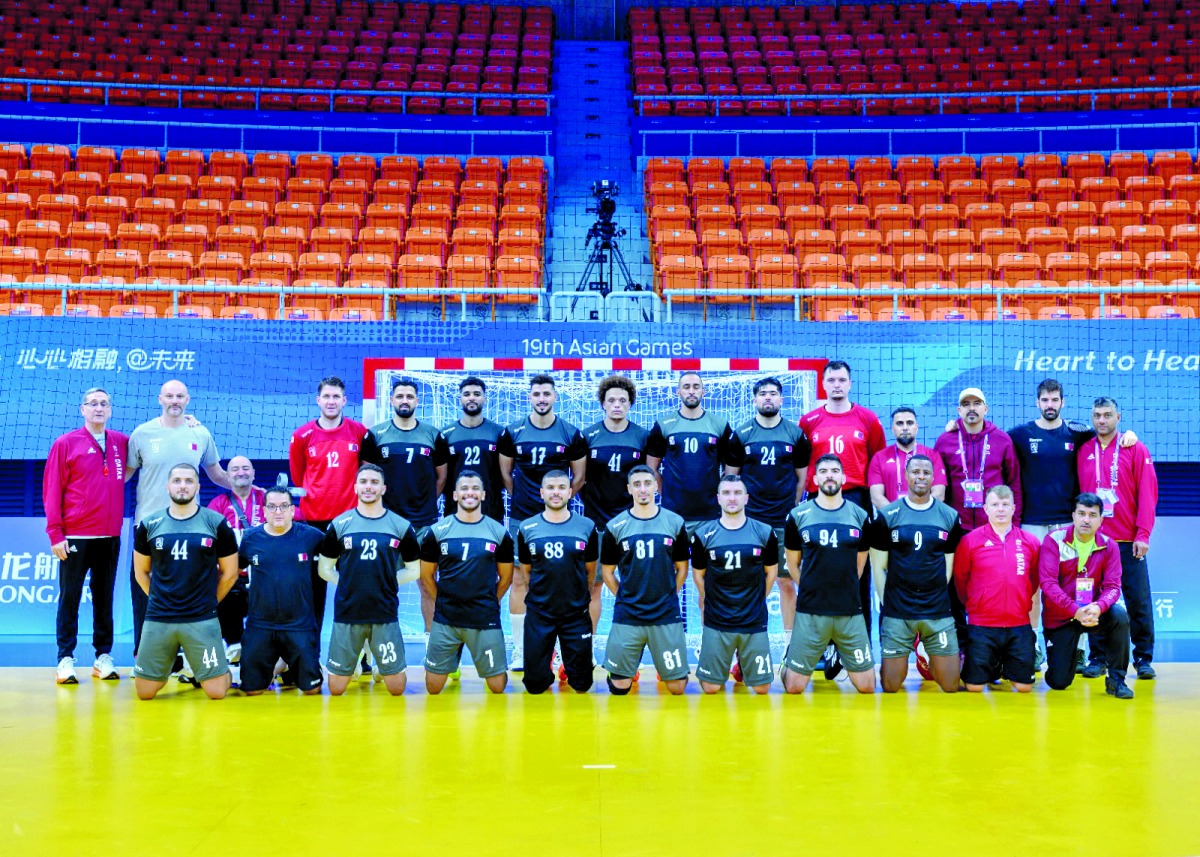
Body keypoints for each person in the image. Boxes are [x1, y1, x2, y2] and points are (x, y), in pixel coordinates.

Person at [1006, 379, 1137, 673]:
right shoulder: (1020, 434)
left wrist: (1129, 434)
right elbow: (990, 437)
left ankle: (1078, 649)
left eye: (1055, 399)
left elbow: (1107, 432)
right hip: (1032, 524)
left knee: (1078, 585)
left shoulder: (1077, 433)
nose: (1050, 405)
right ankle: (1034, 647)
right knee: (1032, 588)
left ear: (1062, 402)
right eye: (1045, 400)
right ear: (1037, 402)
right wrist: (955, 427)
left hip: (1068, 523)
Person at [127, 380, 230, 660]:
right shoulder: (142, 434)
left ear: (187, 399)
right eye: (170, 396)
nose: (175, 400)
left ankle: (187, 656)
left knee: (190, 588)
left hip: (190, 527)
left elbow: (217, 475)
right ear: (160, 399)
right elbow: (123, 475)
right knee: (144, 588)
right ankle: (144, 656)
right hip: (150, 526)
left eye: (180, 396)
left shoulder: (200, 432)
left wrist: (247, 486)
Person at [498, 374, 588, 670]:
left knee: (561, 579)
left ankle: (559, 650)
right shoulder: (513, 432)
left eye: (546, 394)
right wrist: (525, 500)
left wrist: (556, 505)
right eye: (536, 394)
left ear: (555, 397)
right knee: (519, 580)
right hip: (522, 518)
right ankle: (520, 649)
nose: (541, 399)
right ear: (530, 397)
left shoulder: (570, 433)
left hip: (561, 521)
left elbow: (579, 477)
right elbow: (506, 474)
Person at [131, 464, 239, 700]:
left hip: (201, 617)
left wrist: (209, 602)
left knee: (216, 692)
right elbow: (141, 572)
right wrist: (160, 600)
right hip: (160, 617)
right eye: (177, 481)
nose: (183, 486)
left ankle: (223, 667)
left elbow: (230, 573)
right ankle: (172, 667)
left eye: (189, 481)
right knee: (145, 692)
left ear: (198, 487)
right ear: (167, 486)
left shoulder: (216, 523)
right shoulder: (149, 525)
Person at [44, 387, 129, 684]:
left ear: (110, 409)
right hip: (75, 536)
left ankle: (103, 656)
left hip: (109, 536)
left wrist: (188, 422)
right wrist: (55, 533)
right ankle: (65, 659)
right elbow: (52, 489)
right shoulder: (65, 443)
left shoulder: (121, 442)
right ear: (83, 409)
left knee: (104, 599)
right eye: (93, 403)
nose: (99, 408)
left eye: (104, 403)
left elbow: (154, 442)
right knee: (69, 598)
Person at [799, 361, 886, 645]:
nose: (837, 385)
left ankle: (860, 643)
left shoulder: (868, 419)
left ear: (850, 383)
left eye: (842, 380)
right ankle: (821, 646)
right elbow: (802, 465)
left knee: (858, 571)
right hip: (818, 500)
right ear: (823, 384)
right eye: (832, 380)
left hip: (856, 499)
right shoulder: (808, 421)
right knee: (819, 566)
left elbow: (877, 463)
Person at [317, 464, 422, 696]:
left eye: (374, 482)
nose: (368, 487)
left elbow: (415, 570)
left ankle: (379, 665)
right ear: (355, 487)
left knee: (397, 689)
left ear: (383, 488)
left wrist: (387, 581)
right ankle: (355, 660)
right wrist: (348, 583)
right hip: (348, 613)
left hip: (384, 613)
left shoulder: (401, 526)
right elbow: (324, 569)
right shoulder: (339, 524)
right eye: (363, 482)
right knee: (336, 689)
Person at [723, 377, 811, 651]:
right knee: (748, 584)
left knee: (786, 583)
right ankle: (743, 646)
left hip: (783, 522)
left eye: (773, 393)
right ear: (755, 400)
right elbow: (730, 480)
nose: (768, 398)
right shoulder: (741, 434)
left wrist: (790, 507)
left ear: (782, 399)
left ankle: (790, 646)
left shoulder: (795, 434)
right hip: (750, 524)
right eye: (763, 394)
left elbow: (801, 480)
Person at [935, 387, 1022, 659]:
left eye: (977, 403)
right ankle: (961, 647)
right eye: (966, 404)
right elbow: (939, 485)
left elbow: (1014, 484)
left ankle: (994, 650)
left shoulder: (1002, 440)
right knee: (956, 590)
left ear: (986, 408)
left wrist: (1014, 526)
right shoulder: (945, 441)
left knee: (992, 587)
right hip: (957, 529)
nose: (971, 408)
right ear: (959, 410)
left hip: (993, 529)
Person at [1077, 397, 1159, 680]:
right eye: (1097, 415)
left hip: (1127, 542)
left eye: (1107, 415)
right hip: (1093, 544)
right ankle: (1097, 657)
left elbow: (1147, 494)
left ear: (1118, 417)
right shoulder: (1084, 450)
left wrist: (1143, 534)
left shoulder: (1134, 449)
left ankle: (1143, 658)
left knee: (1138, 601)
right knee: (1093, 600)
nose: (1102, 420)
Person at [360, 377, 449, 634]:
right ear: (391, 400)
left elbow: (441, 477)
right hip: (386, 523)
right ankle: (379, 641)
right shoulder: (375, 435)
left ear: (417, 401)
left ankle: (432, 642)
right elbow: (368, 480)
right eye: (400, 396)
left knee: (427, 583)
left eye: (409, 396)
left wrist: (424, 504)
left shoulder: (433, 435)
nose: (405, 401)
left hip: (424, 524)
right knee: (382, 584)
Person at [780, 454, 875, 694]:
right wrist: (810, 587)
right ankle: (789, 660)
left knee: (867, 686)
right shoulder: (797, 516)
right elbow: (793, 565)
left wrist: (842, 588)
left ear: (843, 478)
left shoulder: (860, 516)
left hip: (849, 611)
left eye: (834, 471)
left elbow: (859, 566)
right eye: (823, 471)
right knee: (794, 687)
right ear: (815, 479)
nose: (829, 475)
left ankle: (837, 649)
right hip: (811, 611)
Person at [869, 454, 963, 693]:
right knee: (890, 685)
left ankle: (926, 645)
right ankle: (912, 641)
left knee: (950, 685)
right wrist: (887, 603)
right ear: (906, 476)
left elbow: (948, 566)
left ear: (933, 477)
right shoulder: (887, 515)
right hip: (899, 611)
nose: (921, 477)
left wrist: (934, 595)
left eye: (926, 473)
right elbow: (878, 566)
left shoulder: (949, 516)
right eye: (916, 472)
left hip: (936, 611)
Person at [421, 471, 514, 694]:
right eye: (464, 488)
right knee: (433, 688)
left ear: (483, 495)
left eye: (474, 489)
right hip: (446, 620)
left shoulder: (499, 532)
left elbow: (506, 578)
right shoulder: (437, 532)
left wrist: (489, 602)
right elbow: (427, 576)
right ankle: (452, 658)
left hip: (484, 619)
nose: (469, 493)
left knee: (497, 687)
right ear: (455, 495)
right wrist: (442, 602)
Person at [601, 465, 691, 695]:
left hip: (665, 613)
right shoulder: (615, 526)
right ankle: (629, 665)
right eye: (637, 484)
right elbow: (607, 572)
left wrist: (669, 594)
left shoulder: (674, 522)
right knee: (620, 688)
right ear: (629, 489)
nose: (643, 489)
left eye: (647, 484)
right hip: (629, 613)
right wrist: (624, 596)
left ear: (655, 487)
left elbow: (682, 568)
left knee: (677, 688)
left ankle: (661, 665)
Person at [289, 376, 367, 635]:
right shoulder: (302, 435)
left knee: (353, 586)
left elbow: (366, 474)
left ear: (344, 400)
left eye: (336, 397)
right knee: (314, 589)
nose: (331, 401)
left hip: (350, 522)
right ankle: (310, 652)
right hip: (314, 523)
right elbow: (299, 477)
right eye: (326, 396)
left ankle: (357, 649)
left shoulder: (359, 432)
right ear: (318, 400)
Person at [1038, 493, 1134, 699]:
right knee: (1058, 681)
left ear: (1101, 519)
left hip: (1092, 613)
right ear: (1073, 516)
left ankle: (1117, 680)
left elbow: (1113, 586)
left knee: (1119, 616)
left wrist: (1099, 606)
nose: (1086, 520)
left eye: (1092, 515)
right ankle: (1066, 656)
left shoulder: (1109, 545)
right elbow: (1048, 583)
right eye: (1081, 514)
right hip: (1061, 617)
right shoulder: (1054, 540)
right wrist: (1075, 610)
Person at [691, 474, 779, 693]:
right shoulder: (703, 534)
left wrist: (757, 600)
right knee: (710, 687)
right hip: (717, 620)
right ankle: (726, 663)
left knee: (762, 689)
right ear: (718, 498)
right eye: (727, 493)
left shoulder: (764, 532)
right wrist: (712, 600)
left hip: (753, 620)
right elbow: (698, 576)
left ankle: (742, 664)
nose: (732, 498)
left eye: (737, 493)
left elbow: (771, 573)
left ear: (746, 498)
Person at [516, 471, 599, 693]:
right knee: (534, 686)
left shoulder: (587, 526)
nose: (556, 492)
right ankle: (548, 655)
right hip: (540, 613)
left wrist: (579, 598)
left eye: (561, 487)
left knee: (582, 685)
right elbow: (526, 573)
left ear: (570, 492)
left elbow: (590, 571)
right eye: (550, 488)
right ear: (541, 493)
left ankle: (568, 660)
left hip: (575, 614)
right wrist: (540, 598)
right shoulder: (526, 528)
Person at [237, 486, 326, 695]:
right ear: (264, 511)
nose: (278, 512)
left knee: (312, 689)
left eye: (284, 506)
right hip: (261, 624)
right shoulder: (250, 538)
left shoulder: (312, 536)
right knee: (252, 691)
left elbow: (338, 556)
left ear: (292, 510)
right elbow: (235, 570)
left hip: (299, 624)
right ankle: (277, 665)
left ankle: (285, 663)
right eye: (272, 507)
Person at [952, 486, 1041, 693]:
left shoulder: (1030, 542)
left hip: (1018, 623)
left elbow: (1034, 579)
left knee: (1024, 687)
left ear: (1013, 508)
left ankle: (1003, 665)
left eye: (1005, 504)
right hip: (982, 624)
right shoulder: (970, 541)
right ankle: (993, 664)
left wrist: (1020, 600)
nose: (1000, 509)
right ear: (985, 509)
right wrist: (978, 603)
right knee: (974, 687)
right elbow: (961, 580)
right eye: (995, 505)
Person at [582, 375, 650, 633]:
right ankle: (586, 644)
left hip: (632, 524)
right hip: (597, 524)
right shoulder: (588, 436)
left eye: (622, 400)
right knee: (594, 585)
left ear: (630, 404)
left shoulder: (642, 437)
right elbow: (579, 480)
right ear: (603, 404)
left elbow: (647, 480)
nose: (617, 405)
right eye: (611, 400)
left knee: (635, 584)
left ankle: (634, 641)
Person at [645, 372, 735, 537]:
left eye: (696, 387)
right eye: (686, 387)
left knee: (708, 555)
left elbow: (729, 471)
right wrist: (667, 494)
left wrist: (720, 494)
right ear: (678, 392)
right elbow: (651, 469)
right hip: (673, 513)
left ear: (703, 391)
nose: (691, 391)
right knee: (673, 555)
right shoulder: (663, 425)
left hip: (710, 513)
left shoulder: (719, 424)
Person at [206, 455, 265, 667]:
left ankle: (268, 654)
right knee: (223, 588)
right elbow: (208, 539)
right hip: (232, 575)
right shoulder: (218, 504)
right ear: (228, 476)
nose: (241, 472)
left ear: (254, 474)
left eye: (246, 468)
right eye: (235, 469)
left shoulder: (267, 499)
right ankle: (233, 646)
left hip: (263, 574)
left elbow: (294, 518)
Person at [442, 376, 505, 523]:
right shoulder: (446, 434)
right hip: (455, 509)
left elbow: (505, 472)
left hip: (491, 509)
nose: (471, 398)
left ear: (484, 399)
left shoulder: (498, 432)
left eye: (477, 394)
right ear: (460, 399)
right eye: (467, 394)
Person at [868, 406, 947, 509]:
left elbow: (939, 494)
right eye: (900, 423)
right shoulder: (879, 458)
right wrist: (895, 514)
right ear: (892, 429)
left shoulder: (932, 455)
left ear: (916, 427)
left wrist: (919, 513)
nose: (905, 428)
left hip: (924, 517)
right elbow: (876, 497)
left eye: (909, 423)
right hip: (892, 518)